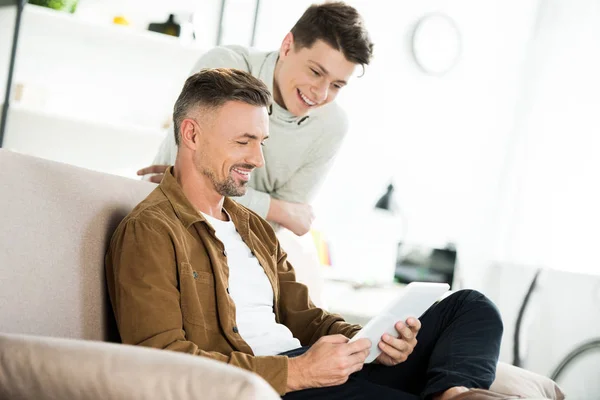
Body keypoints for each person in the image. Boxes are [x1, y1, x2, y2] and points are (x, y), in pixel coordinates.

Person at [106, 68, 510, 400]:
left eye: (261, 142)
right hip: (270, 387)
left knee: (470, 307)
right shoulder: (152, 231)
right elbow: (160, 359)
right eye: (243, 141)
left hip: (313, 369)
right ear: (192, 135)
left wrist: (372, 342)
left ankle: (454, 394)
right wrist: (298, 371)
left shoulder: (252, 227)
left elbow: (307, 318)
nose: (257, 159)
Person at [136, 1, 374, 237]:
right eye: (315, 72)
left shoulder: (331, 126)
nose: (321, 94)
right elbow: (182, 182)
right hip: (166, 225)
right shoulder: (225, 67)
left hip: (244, 251)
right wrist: (277, 209)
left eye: (336, 85)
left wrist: (276, 214)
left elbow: (275, 228)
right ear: (287, 46)